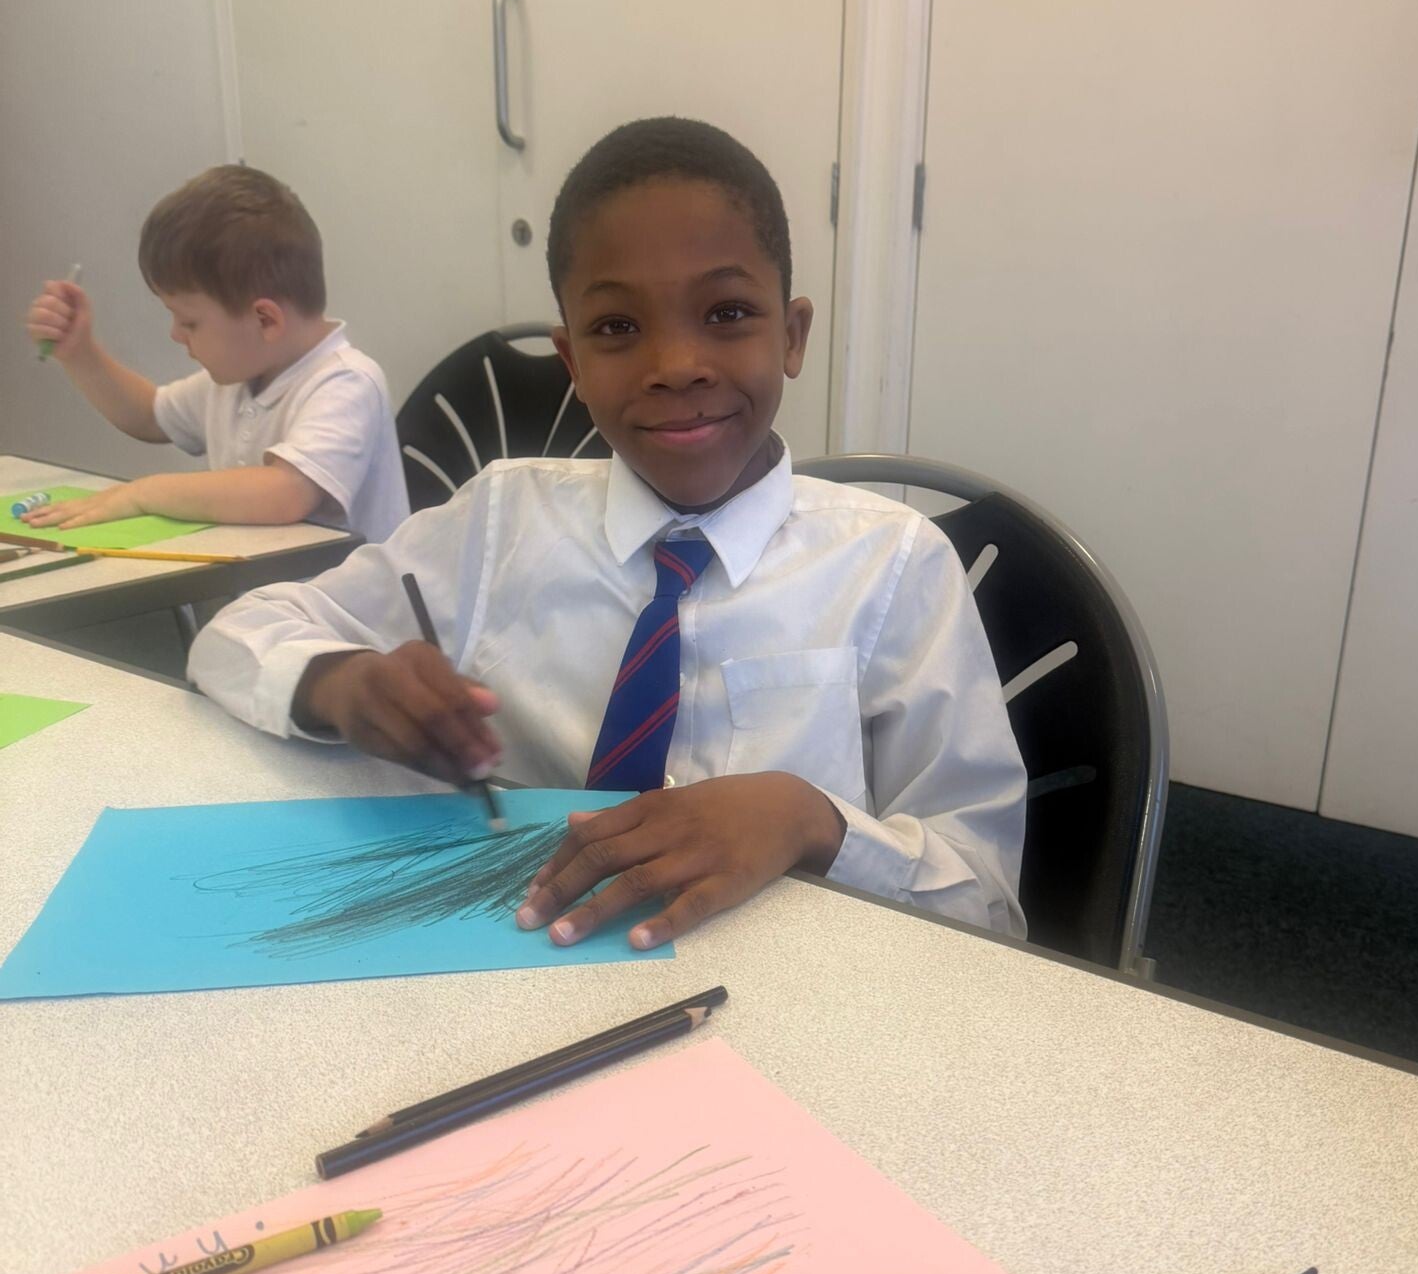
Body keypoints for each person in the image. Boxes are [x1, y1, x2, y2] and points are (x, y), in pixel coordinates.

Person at [188, 119, 1027, 944]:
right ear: (573, 366)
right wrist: (339, 684)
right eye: (618, 328)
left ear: (793, 335)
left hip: (795, 994)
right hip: (514, 960)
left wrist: (809, 820)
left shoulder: (894, 567)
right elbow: (235, 636)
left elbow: (986, 899)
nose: (676, 365)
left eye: (728, 312)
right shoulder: (499, 523)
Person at [22, 165, 408, 542]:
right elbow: (149, 416)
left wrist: (143, 493)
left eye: (189, 322)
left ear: (265, 320)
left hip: (348, 590)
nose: (176, 334)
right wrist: (80, 353)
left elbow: (286, 491)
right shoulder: (237, 381)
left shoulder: (346, 382)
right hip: (266, 587)